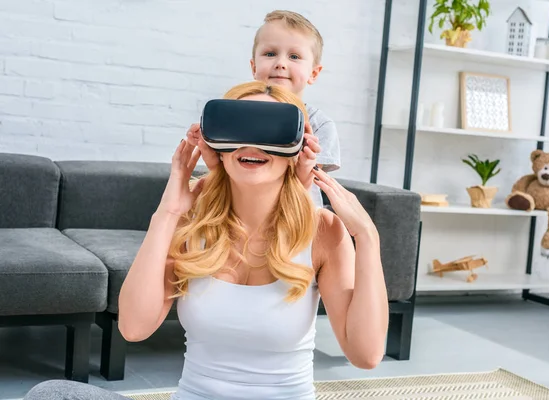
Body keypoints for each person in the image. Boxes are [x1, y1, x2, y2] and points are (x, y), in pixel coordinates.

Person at [23, 81, 388, 400]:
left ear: (297, 149)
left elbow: (366, 354)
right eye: (239, 128)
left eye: (269, 131)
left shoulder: (324, 232)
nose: (252, 143)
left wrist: (367, 237)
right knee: (51, 395)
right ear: (218, 147)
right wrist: (168, 212)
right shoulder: (193, 224)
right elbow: (133, 328)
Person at [187, 10, 341, 209]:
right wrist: (206, 145)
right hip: (239, 211)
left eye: (294, 56)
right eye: (270, 54)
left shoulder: (319, 124)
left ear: (313, 73)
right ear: (253, 67)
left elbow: (311, 179)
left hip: (297, 217)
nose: (280, 64)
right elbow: (224, 172)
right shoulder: (235, 113)